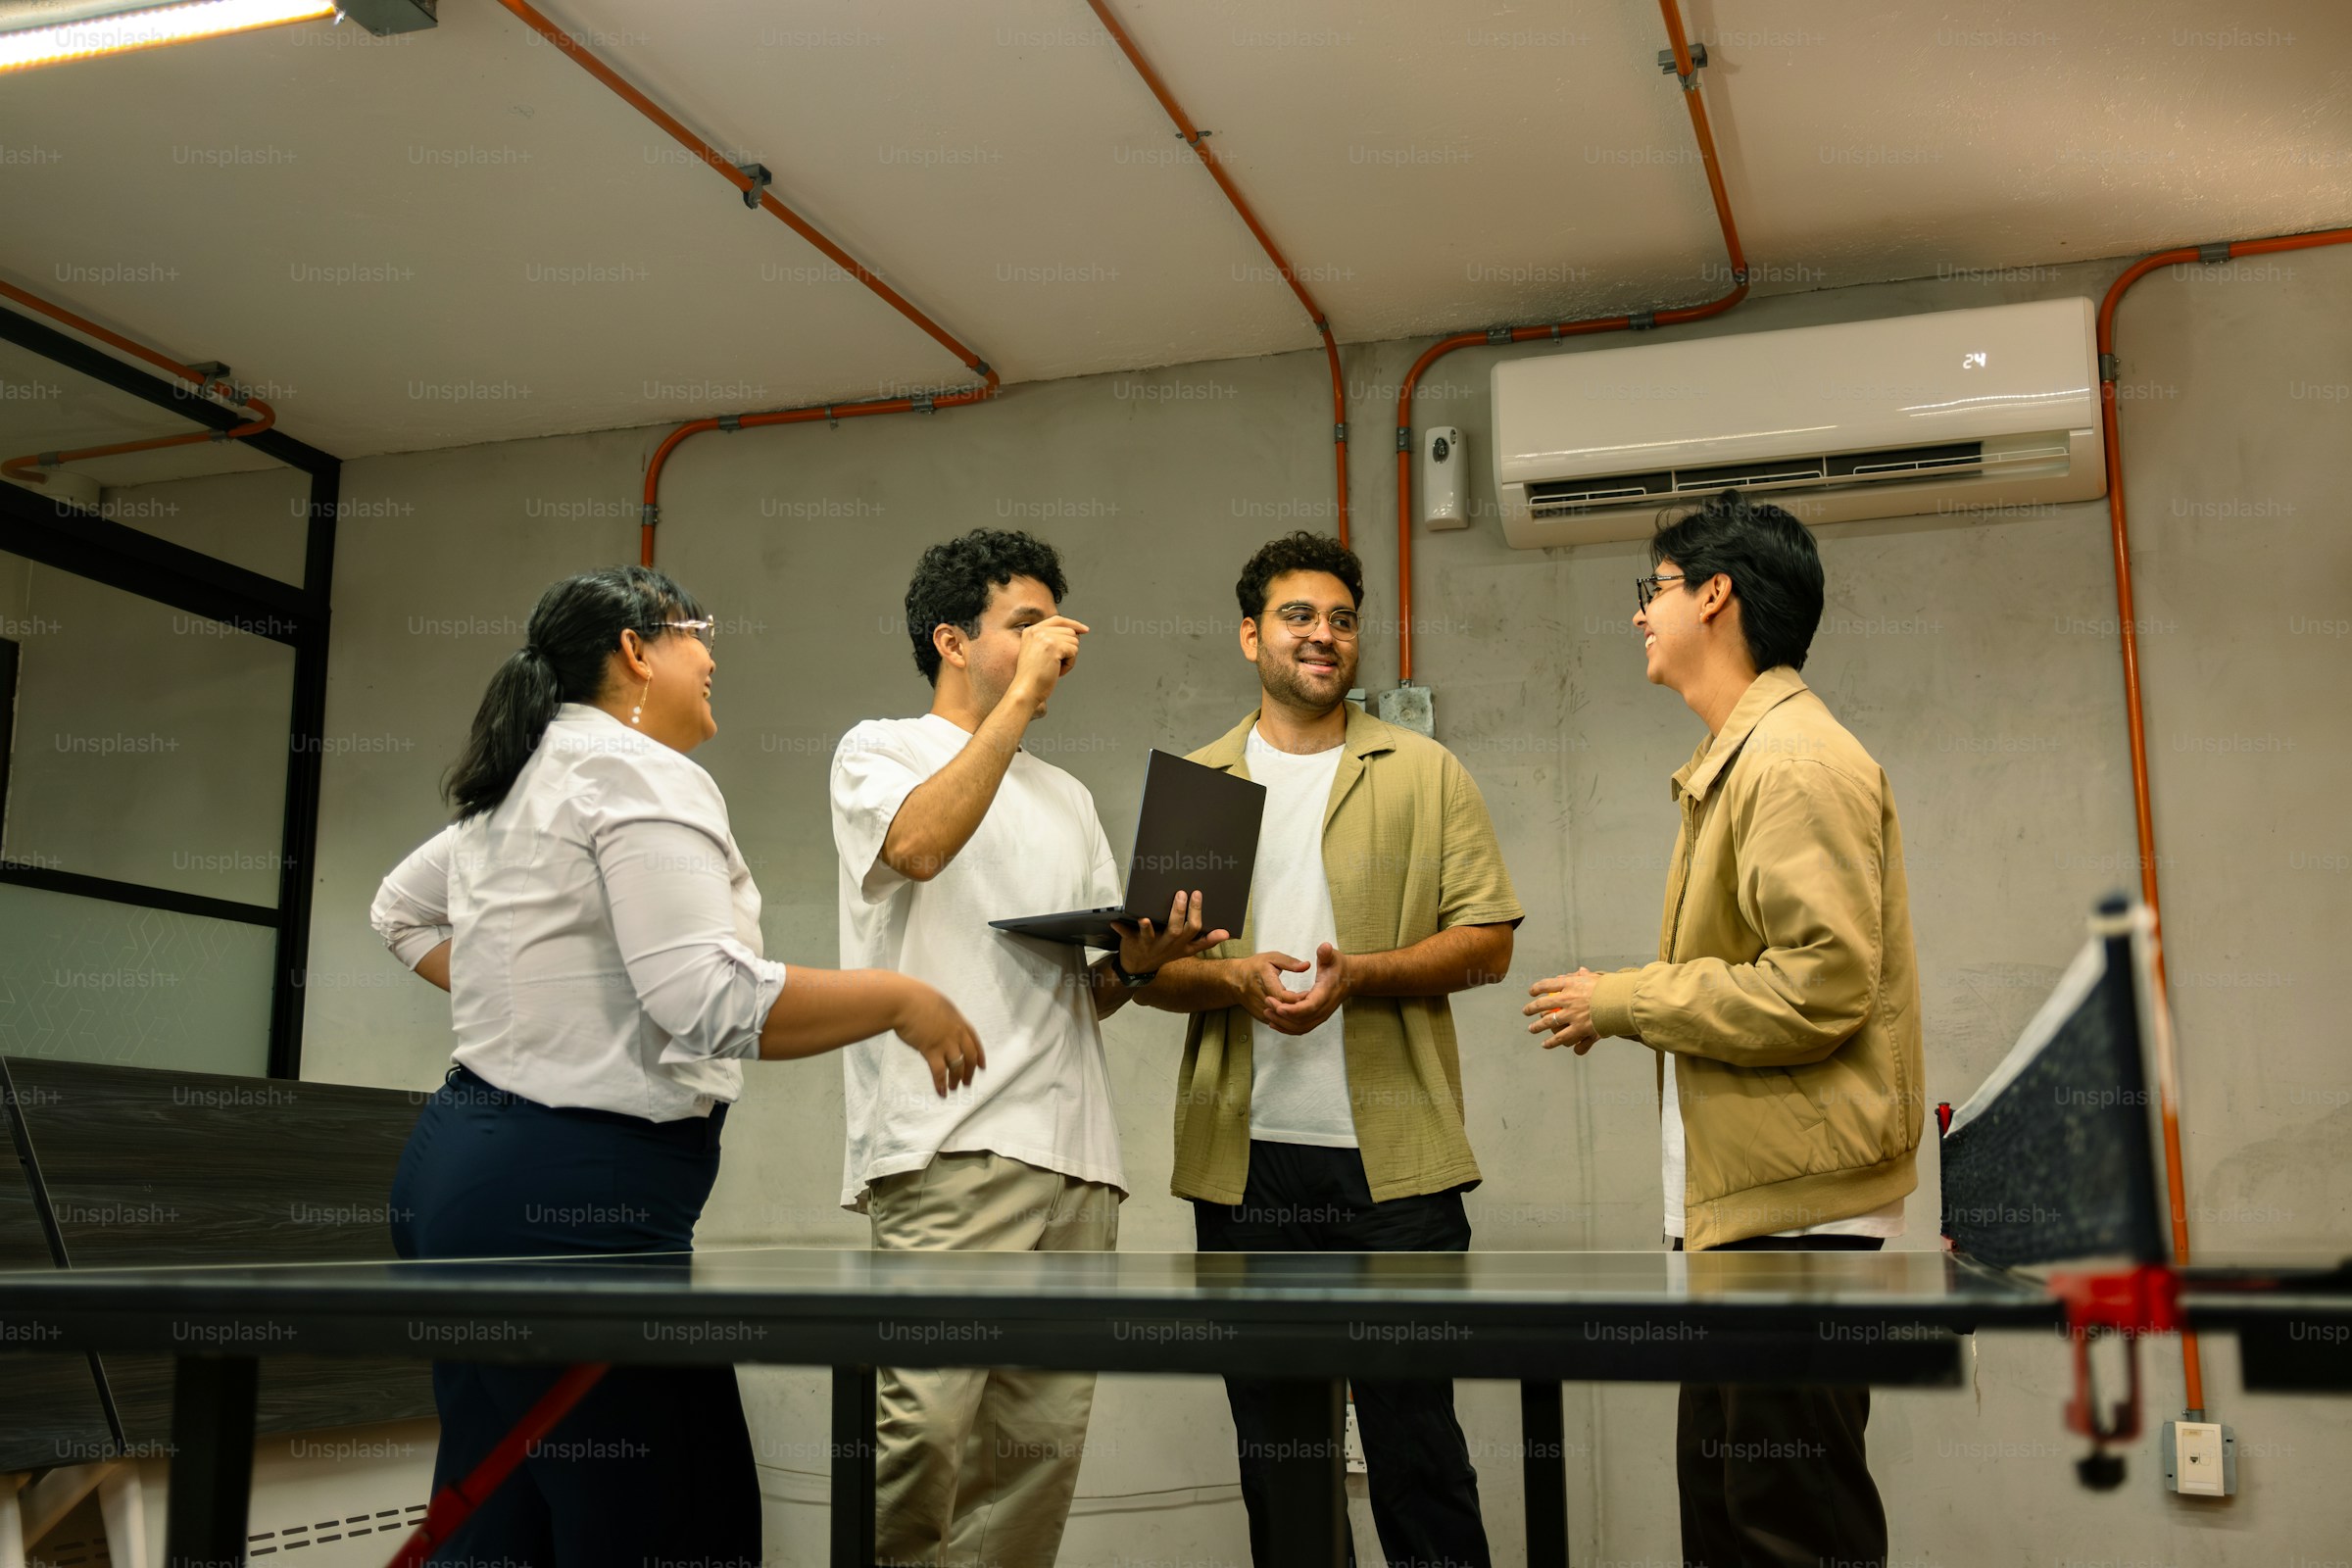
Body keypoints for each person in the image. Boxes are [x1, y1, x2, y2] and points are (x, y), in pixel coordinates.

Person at [372, 564, 981, 1567]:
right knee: (670, 1523)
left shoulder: (526, 778)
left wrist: (532, 1009)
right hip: (567, 1202)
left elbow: (397, 909)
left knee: (499, 1511)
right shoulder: (640, 773)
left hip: (460, 1174)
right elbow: (709, 999)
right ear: (635, 650)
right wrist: (899, 999)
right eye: (699, 634)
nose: (714, 658)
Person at [1522, 490, 1925, 1568]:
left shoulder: (1792, 761)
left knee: (1787, 1531)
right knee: (1735, 1525)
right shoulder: (1747, 758)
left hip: (1797, 1234)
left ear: (1715, 594)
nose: (1640, 617)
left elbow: (1821, 986)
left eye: (1651, 592)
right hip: (1752, 1224)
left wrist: (1628, 998)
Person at [829, 528, 1222, 1568]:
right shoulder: (879, 750)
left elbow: (1085, 992)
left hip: (1076, 1161)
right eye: (1026, 624)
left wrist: (1141, 961)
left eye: (1059, 622)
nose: (1057, 642)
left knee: (1037, 1455)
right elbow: (915, 848)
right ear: (953, 640)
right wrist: (1016, 708)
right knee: (920, 1440)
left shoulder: (1069, 797)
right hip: (950, 1146)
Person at [1131, 530, 1523, 1568]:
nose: (1325, 635)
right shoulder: (1201, 784)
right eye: (1300, 616)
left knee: (1420, 1455)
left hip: (1399, 1174)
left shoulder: (1422, 770)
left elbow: (1489, 940)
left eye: (1343, 619)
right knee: (1283, 1463)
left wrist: (1365, 977)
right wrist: (1232, 978)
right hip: (1244, 1172)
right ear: (1250, 634)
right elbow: (1146, 970)